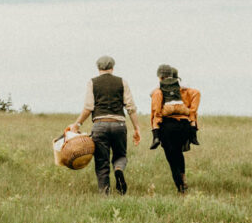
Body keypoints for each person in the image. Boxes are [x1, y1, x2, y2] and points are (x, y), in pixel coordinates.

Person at [67, 55, 142, 195]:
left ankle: (104, 194)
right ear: (112, 67)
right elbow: (130, 107)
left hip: (100, 125)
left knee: (102, 161)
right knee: (120, 155)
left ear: (98, 68)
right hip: (119, 125)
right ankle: (119, 169)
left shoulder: (92, 82)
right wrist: (137, 128)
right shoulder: (122, 82)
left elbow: (88, 107)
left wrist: (77, 124)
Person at [149, 64, 200, 194]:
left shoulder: (159, 91)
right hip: (184, 126)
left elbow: (156, 112)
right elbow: (196, 95)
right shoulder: (186, 91)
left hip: (168, 127)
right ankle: (183, 177)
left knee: (171, 158)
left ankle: (180, 188)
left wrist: (155, 131)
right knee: (179, 153)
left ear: (160, 77)